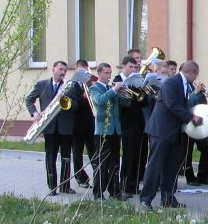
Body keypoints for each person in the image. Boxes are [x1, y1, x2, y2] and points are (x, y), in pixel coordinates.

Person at [139, 60, 204, 209]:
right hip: (161, 130)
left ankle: (168, 198)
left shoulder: (185, 84)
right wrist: (191, 117)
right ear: (192, 72)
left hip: (175, 132)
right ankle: (146, 199)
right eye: (196, 75)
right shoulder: (171, 82)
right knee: (155, 165)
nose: (196, 78)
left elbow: (185, 104)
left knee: (171, 167)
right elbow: (172, 104)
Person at [25, 60, 81, 195]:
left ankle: (65, 186)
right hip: (49, 127)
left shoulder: (69, 87)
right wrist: (35, 113)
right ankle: (52, 188)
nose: (63, 72)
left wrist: (68, 103)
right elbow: (29, 100)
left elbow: (76, 106)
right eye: (60, 69)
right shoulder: (42, 85)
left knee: (66, 158)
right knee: (50, 158)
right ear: (53, 69)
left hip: (66, 128)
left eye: (65, 71)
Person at [90, 62, 132, 200]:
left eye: (110, 73)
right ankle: (98, 194)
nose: (109, 75)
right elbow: (100, 101)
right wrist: (114, 90)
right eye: (106, 73)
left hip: (115, 130)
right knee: (102, 163)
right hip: (103, 130)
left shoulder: (111, 88)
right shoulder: (94, 87)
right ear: (99, 74)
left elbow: (126, 103)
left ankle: (114, 191)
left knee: (115, 163)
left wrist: (126, 91)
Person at [115, 56, 147, 196]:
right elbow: (124, 103)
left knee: (137, 155)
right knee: (128, 154)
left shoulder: (136, 82)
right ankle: (124, 185)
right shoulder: (117, 80)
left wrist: (142, 89)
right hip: (126, 123)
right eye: (130, 67)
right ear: (123, 66)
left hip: (138, 122)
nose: (133, 70)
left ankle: (133, 185)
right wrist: (127, 90)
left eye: (135, 67)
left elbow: (144, 103)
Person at [181, 64, 208, 185]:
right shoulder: (183, 87)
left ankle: (203, 176)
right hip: (188, 123)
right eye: (195, 74)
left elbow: (203, 104)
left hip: (199, 123)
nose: (196, 77)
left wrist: (201, 94)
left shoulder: (193, 86)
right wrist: (195, 92)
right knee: (188, 151)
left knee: (206, 149)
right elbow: (187, 104)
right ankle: (190, 177)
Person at [71, 59, 95, 189]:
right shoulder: (71, 85)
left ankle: (98, 175)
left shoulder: (90, 84)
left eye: (86, 71)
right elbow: (72, 103)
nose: (84, 73)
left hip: (90, 123)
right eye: (81, 71)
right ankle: (80, 177)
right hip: (77, 124)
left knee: (93, 150)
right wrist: (83, 97)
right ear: (76, 70)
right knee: (77, 153)